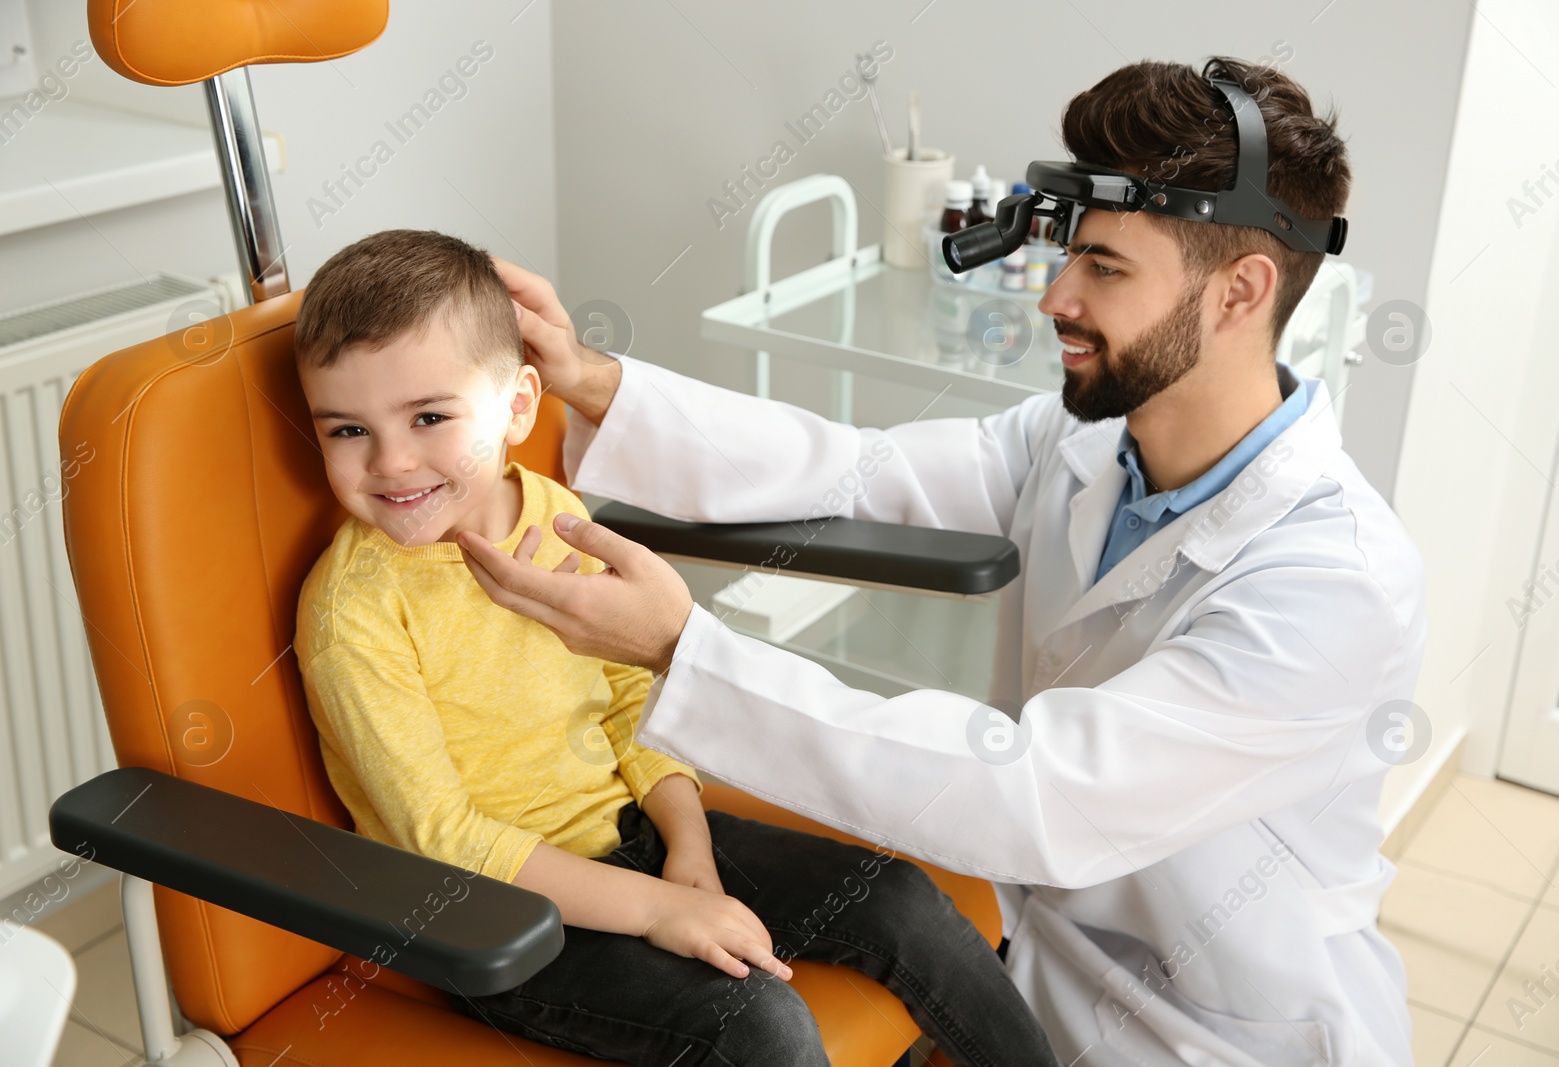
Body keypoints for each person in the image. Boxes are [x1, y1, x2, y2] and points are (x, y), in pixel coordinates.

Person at [456, 57, 1428, 1067]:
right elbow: (850, 468)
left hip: (1219, 1032)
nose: (1055, 294)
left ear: (1241, 292)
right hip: (1033, 972)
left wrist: (681, 649)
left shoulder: (1333, 585)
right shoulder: (1082, 442)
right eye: (1067, 255)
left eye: (1104, 266)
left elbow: (1042, 796)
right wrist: (592, 380)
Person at [289, 229, 1061, 1067]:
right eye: (345, 430)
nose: (391, 461)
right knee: (757, 1022)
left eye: (430, 416)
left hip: (638, 835)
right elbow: (440, 838)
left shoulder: (554, 513)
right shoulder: (354, 609)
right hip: (494, 916)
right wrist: (658, 911)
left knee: (903, 902)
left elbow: (628, 698)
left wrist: (688, 850)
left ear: (518, 405)